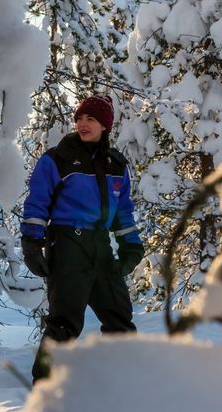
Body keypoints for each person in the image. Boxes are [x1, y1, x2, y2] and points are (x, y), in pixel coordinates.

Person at [20, 93, 144, 382]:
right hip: (66, 244)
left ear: (105, 125)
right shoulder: (57, 159)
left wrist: (131, 245)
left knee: (119, 319)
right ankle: (44, 388)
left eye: (91, 118)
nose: (83, 123)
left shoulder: (116, 164)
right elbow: (37, 202)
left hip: (99, 245)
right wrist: (31, 243)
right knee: (64, 323)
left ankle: (122, 383)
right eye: (79, 118)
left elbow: (123, 210)